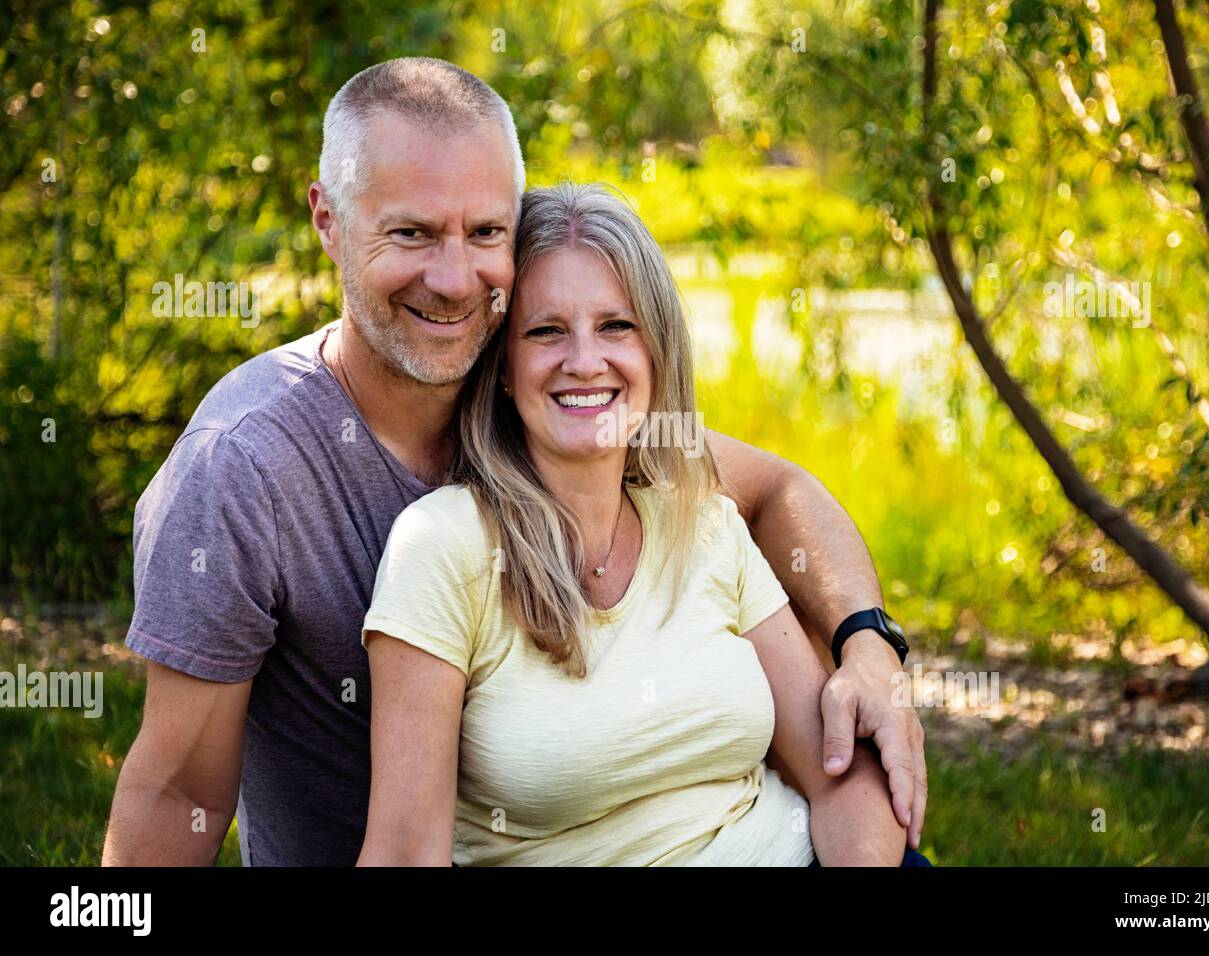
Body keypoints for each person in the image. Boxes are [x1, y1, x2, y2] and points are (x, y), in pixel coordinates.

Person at [102, 57, 927, 867]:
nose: (455, 278)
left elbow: (779, 489)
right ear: (327, 219)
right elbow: (177, 794)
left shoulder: (548, 409)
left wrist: (869, 647)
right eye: (411, 232)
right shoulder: (241, 468)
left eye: (486, 232)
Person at [358, 182, 913, 865]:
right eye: (546, 331)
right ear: (504, 368)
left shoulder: (702, 522)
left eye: (616, 326)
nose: (585, 361)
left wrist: (869, 646)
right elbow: (403, 852)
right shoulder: (445, 547)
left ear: (655, 350)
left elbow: (839, 775)